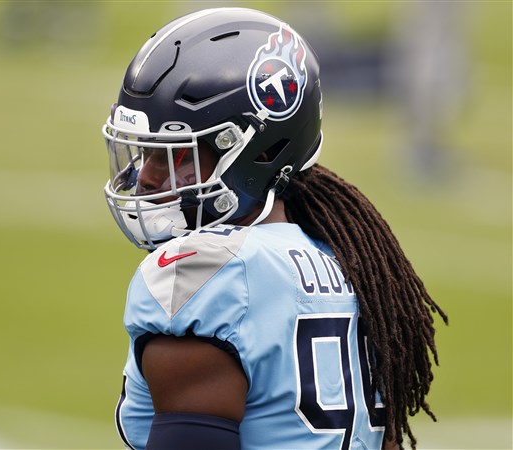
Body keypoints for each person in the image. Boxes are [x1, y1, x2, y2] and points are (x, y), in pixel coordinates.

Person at [102, 7, 447, 450]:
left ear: (258, 154)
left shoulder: (202, 276)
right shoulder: (352, 264)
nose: (147, 177)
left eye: (177, 154)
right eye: (147, 152)